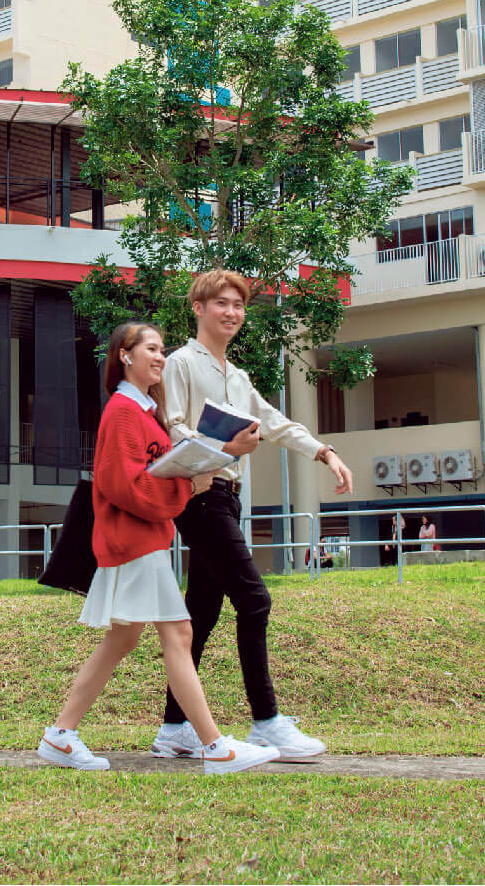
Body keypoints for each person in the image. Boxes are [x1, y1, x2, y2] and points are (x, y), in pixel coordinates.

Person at [38, 322, 281, 776]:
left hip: (140, 539)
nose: (160, 357)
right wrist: (188, 486)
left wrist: (203, 465)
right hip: (134, 540)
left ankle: (61, 734)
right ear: (124, 355)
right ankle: (214, 746)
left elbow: (151, 473)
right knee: (179, 635)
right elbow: (125, 485)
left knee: (123, 639)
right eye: (150, 348)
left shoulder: (144, 412)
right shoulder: (123, 412)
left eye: (162, 350)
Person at [153, 270, 353, 763]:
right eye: (221, 303)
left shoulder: (238, 377)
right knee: (254, 599)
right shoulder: (181, 363)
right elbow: (171, 427)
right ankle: (266, 720)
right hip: (200, 494)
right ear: (198, 308)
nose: (232, 312)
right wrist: (224, 447)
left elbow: (275, 423)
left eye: (238, 305)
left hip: (228, 497)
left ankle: (174, 728)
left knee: (202, 612)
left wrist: (324, 452)